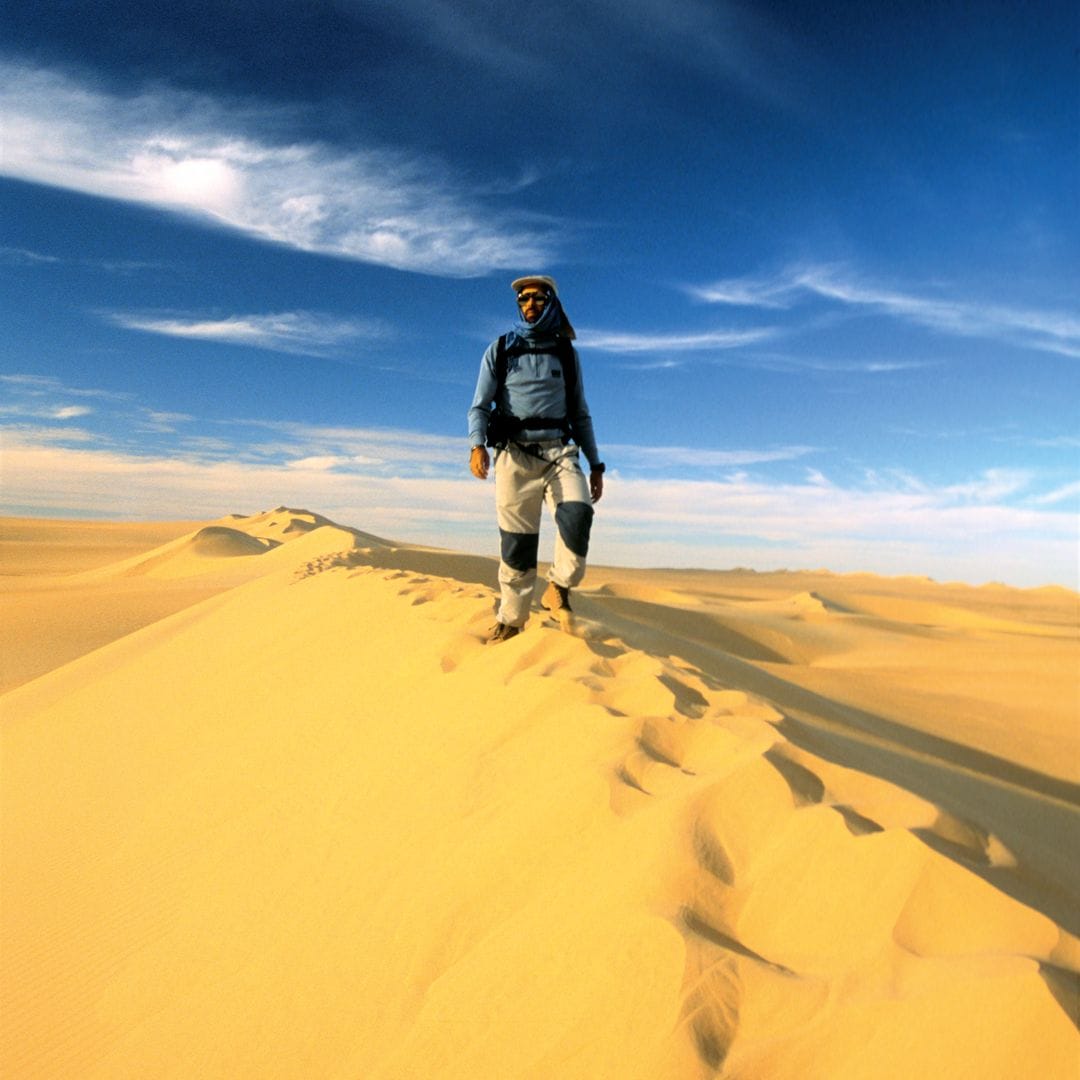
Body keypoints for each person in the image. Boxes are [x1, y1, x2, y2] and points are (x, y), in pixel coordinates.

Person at [468, 275, 606, 643]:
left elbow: (581, 414)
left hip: (559, 453)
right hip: (514, 457)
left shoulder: (566, 353)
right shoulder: (500, 349)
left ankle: (559, 586)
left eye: (538, 299)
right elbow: (479, 406)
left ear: (552, 302)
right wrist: (476, 445)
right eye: (524, 299)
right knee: (517, 548)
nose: (530, 305)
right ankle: (512, 620)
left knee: (577, 515)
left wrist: (596, 464)